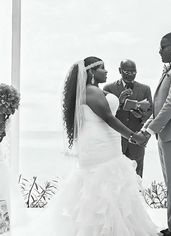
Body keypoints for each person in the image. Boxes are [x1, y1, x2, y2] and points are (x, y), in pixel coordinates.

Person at [14, 56, 159, 236]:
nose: (106, 71)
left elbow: (105, 113)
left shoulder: (93, 91)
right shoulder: (91, 92)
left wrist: (121, 103)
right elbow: (108, 117)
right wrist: (132, 136)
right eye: (102, 68)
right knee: (106, 185)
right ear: (91, 72)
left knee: (108, 186)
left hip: (104, 142)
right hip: (102, 145)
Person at [133, 33, 171, 236]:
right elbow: (161, 107)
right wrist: (147, 127)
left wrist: (150, 131)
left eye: (163, 47)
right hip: (167, 134)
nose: (159, 51)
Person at [103, 59, 152, 177]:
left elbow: (151, 112)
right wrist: (119, 104)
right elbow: (105, 114)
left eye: (133, 72)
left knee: (137, 175)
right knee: (114, 175)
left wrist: (141, 116)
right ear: (120, 70)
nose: (131, 75)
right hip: (116, 140)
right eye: (127, 71)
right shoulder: (109, 88)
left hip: (136, 141)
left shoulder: (145, 89)